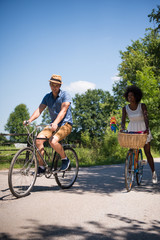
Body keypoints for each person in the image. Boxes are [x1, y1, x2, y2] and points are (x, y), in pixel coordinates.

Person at [24, 74, 73, 174]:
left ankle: (65, 159)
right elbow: (39, 110)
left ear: (60, 86)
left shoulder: (65, 95)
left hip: (65, 124)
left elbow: (63, 111)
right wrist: (29, 120)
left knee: (53, 141)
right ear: (50, 85)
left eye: (56, 85)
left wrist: (55, 122)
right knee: (38, 140)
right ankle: (41, 167)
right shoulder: (47, 97)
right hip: (53, 125)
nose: (54, 87)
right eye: (52, 85)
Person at [121, 85, 158, 184]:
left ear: (136, 96)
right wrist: (122, 128)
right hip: (132, 129)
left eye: (131, 96)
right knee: (131, 150)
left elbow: (146, 117)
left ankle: (153, 173)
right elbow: (123, 121)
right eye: (128, 96)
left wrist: (146, 128)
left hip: (142, 129)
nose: (129, 98)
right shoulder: (125, 108)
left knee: (147, 152)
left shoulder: (142, 106)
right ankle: (129, 172)